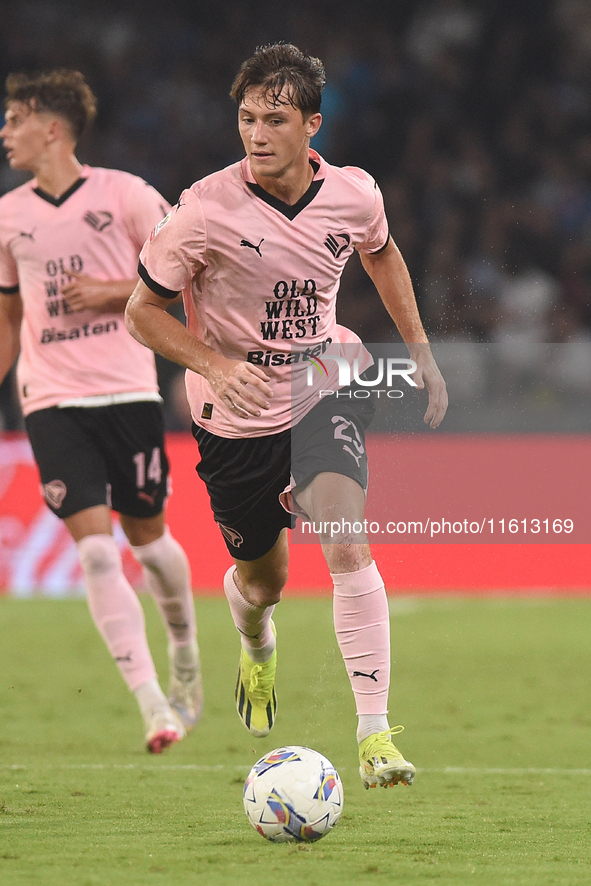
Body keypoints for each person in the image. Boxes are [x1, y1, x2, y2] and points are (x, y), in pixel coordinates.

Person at [126, 43, 448, 788]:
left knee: (343, 540)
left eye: (274, 119)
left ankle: (374, 738)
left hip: (325, 380)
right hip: (234, 414)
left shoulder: (354, 193)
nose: (256, 133)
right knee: (263, 580)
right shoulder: (203, 210)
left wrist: (420, 350)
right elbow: (142, 312)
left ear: (312, 126)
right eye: (245, 118)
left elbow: (383, 252)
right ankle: (256, 641)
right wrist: (212, 363)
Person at [0, 69, 203, 753]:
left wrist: (114, 292)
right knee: (93, 551)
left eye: (14, 119)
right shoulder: (8, 217)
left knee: (151, 543)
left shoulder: (127, 196)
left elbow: (185, 278)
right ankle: (153, 706)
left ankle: (183, 649)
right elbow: (7, 318)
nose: (5, 133)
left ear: (50, 128)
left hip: (128, 392)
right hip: (53, 401)